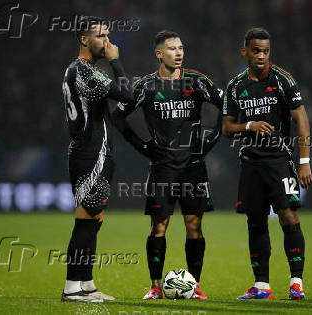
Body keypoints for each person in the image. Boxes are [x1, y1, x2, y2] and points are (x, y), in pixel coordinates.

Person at [61, 16, 158, 302]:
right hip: (90, 154)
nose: (108, 42)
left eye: (108, 36)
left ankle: (86, 283)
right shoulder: (84, 71)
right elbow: (127, 96)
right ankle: (71, 288)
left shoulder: (81, 70)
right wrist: (117, 61)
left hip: (95, 151)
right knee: (85, 220)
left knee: (94, 218)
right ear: (84, 39)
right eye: (101, 36)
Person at [121, 30, 223, 299]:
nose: (178, 53)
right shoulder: (146, 86)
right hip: (163, 167)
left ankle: (195, 285)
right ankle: (155, 286)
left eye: (180, 48)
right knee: (159, 226)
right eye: (171, 49)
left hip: (193, 166)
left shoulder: (197, 82)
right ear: (159, 54)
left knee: (194, 226)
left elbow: (229, 105)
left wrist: (212, 138)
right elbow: (119, 115)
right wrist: (142, 145)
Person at [222, 27, 312, 300]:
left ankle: (296, 282)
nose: (261, 56)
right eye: (256, 50)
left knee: (288, 216)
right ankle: (261, 285)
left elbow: (302, 120)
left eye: (266, 51)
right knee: (256, 221)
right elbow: (227, 128)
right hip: (250, 163)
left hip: (279, 160)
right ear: (245, 51)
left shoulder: (283, 80)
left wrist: (305, 162)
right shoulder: (235, 86)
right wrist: (249, 124)